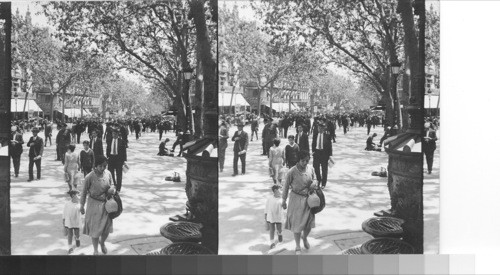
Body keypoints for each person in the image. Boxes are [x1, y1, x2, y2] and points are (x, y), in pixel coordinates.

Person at [281, 150, 317, 254]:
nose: (305, 163)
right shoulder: (292, 171)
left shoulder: (311, 169)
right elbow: (286, 187)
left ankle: (304, 237)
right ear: (298, 160)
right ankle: (297, 246)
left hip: (309, 200)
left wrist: (314, 183)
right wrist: (283, 200)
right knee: (297, 225)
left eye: (307, 160)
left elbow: (315, 179)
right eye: (303, 161)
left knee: (309, 224)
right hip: (296, 200)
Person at [80, 156, 115, 255]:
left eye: (105, 166)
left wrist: (112, 189)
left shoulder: (108, 173)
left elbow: (112, 184)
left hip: (106, 205)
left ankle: (102, 242)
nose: (103, 168)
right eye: (101, 166)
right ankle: (95, 250)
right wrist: (82, 205)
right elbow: (83, 192)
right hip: (94, 205)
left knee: (106, 228)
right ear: (96, 166)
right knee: (95, 230)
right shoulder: (89, 177)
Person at [311, 123, 332, 189]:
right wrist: (313, 151)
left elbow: (330, 146)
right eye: (318, 128)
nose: (319, 129)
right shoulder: (315, 135)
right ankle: (319, 179)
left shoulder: (327, 136)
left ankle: (323, 183)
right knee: (316, 168)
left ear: (323, 129)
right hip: (317, 153)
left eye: (320, 128)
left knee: (324, 169)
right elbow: (313, 143)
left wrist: (330, 155)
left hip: (324, 154)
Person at [265, 184, 284, 249]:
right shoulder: (270, 198)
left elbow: (285, 207)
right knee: (272, 230)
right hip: (271, 217)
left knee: (279, 229)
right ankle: (272, 243)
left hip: (279, 217)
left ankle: (279, 234)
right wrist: (266, 219)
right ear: (275, 191)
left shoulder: (282, 198)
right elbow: (266, 208)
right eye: (280, 190)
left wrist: (285, 204)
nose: (281, 191)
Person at [63, 190, 81, 254]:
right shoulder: (67, 204)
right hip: (69, 222)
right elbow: (64, 213)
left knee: (77, 233)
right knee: (70, 235)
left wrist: (82, 210)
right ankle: (70, 248)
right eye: (78, 195)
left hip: (76, 222)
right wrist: (64, 223)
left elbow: (83, 212)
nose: (79, 196)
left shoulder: (79, 204)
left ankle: (77, 238)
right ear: (73, 196)